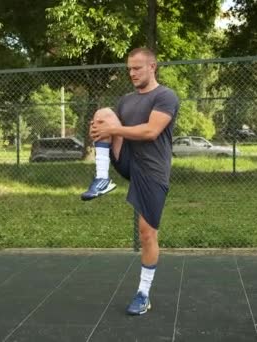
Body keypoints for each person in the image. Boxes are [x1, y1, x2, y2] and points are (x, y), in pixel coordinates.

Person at [81, 47, 180, 315]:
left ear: (152, 67)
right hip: (127, 159)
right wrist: (100, 129)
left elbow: (150, 131)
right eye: (129, 69)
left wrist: (112, 129)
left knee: (147, 233)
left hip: (152, 171)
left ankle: (143, 294)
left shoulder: (165, 96)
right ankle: (102, 178)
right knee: (103, 112)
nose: (132, 73)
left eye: (137, 68)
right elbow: (114, 131)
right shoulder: (125, 100)